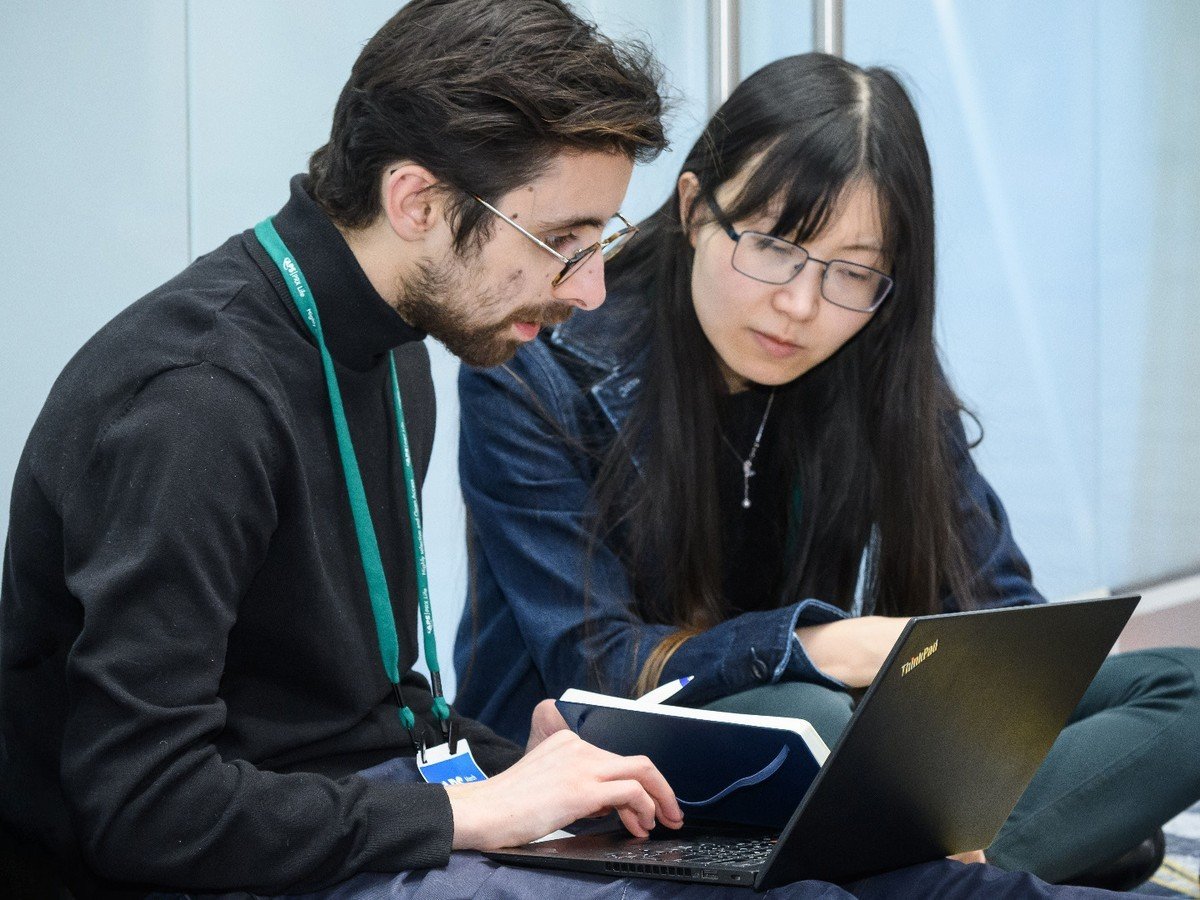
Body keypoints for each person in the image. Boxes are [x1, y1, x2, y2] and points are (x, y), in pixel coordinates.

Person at [454, 52, 1200, 890]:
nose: (802, 305)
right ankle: (1008, 850)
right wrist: (821, 646)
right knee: (812, 716)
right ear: (698, 210)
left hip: (804, 769)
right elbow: (593, 660)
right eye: (773, 247)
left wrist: (981, 732)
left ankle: (926, 863)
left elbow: (1002, 619)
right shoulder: (538, 370)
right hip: (606, 773)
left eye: (852, 271)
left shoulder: (876, 363)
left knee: (1186, 685)